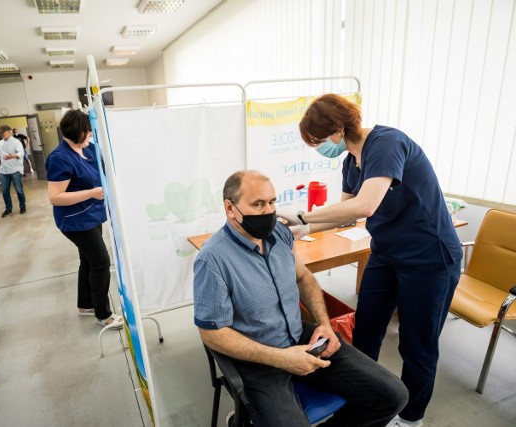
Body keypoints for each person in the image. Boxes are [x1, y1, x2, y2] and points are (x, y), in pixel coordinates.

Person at [286, 94, 463, 427]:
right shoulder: (350, 162)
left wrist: (302, 213)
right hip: (387, 254)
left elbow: (365, 206)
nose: (321, 147)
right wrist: (299, 227)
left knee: (417, 344)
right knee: (365, 328)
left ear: (337, 128)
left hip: (430, 258)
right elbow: (343, 216)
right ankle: (366, 395)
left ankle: (411, 418)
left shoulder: (386, 143)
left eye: (320, 140)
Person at [194, 170, 408, 427]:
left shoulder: (279, 235)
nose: (268, 211)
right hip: (259, 360)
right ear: (230, 208)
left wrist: (324, 325)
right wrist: (282, 358)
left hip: (303, 339)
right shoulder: (213, 260)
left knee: (394, 395)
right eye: (258, 204)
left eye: (272, 202)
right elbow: (212, 333)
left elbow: (304, 277)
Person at [45, 109, 123, 329]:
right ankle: (103, 314)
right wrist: (91, 193)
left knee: (88, 260)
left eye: (90, 131)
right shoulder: (60, 158)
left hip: (93, 214)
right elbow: (55, 197)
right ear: (72, 132)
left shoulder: (89, 149)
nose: (89, 136)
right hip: (74, 221)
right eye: (86, 132)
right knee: (100, 262)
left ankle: (85, 304)